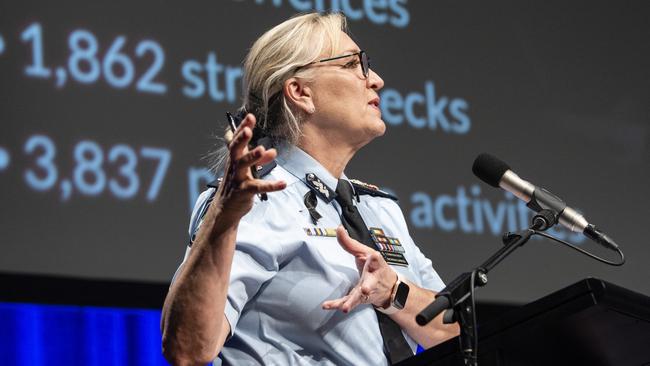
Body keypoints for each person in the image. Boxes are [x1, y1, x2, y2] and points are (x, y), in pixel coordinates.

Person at [161, 12, 459, 366]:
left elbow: (453, 332)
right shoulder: (254, 200)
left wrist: (392, 291)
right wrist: (223, 218)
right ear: (300, 92)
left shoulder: (380, 209)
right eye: (352, 65)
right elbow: (188, 349)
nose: (375, 80)